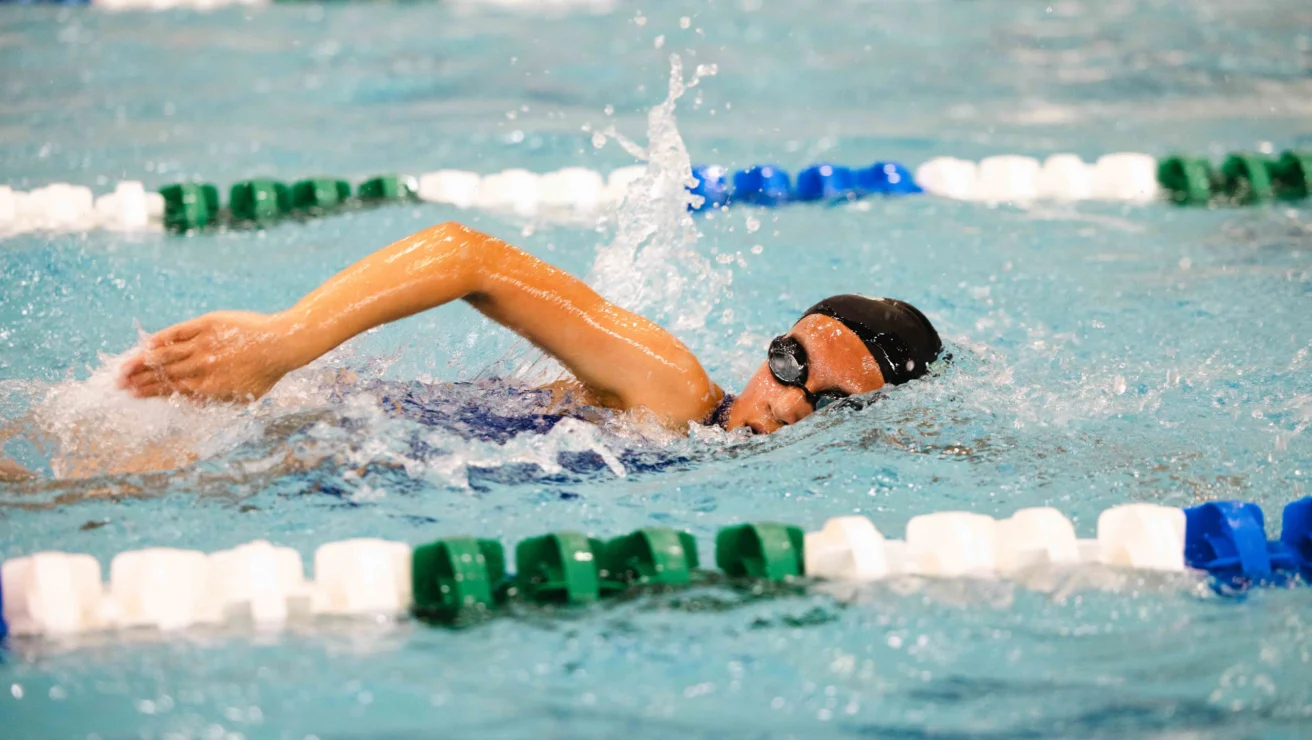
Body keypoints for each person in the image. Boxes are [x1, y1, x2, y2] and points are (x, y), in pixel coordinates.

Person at [118, 221, 945, 436]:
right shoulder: (674, 390)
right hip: (314, 426)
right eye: (792, 363)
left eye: (832, 406)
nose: (791, 403)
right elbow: (464, 255)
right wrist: (278, 344)